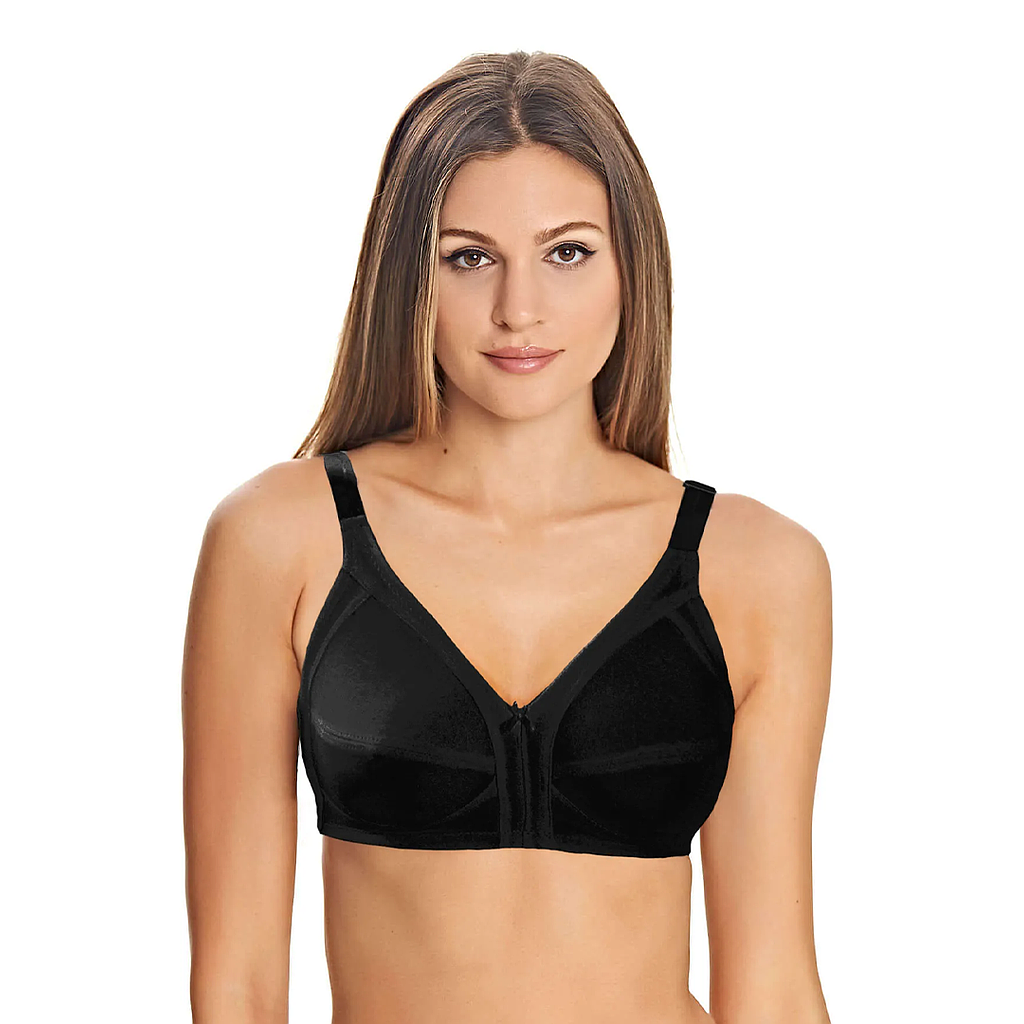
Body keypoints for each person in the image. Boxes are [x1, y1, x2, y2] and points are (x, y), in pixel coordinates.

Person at [182, 49, 832, 1024]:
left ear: (632, 265)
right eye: (469, 256)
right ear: (409, 274)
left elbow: (772, 987)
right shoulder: (283, 539)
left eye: (567, 253)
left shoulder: (756, 567)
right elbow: (235, 985)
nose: (518, 309)